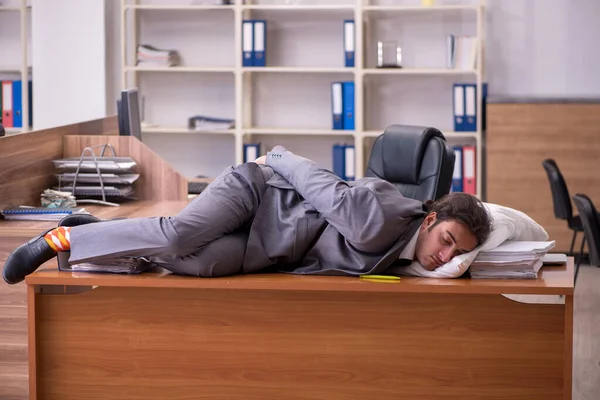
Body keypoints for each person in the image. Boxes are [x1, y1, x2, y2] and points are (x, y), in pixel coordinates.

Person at [2, 146, 492, 285]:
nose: (446, 257)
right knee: (177, 236)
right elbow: (314, 179)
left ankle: (95, 234)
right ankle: (57, 242)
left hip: (273, 242)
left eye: (459, 254)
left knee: (200, 264)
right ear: (430, 220)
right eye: (447, 240)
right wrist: (273, 157)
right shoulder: (382, 220)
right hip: (260, 192)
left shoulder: (409, 248)